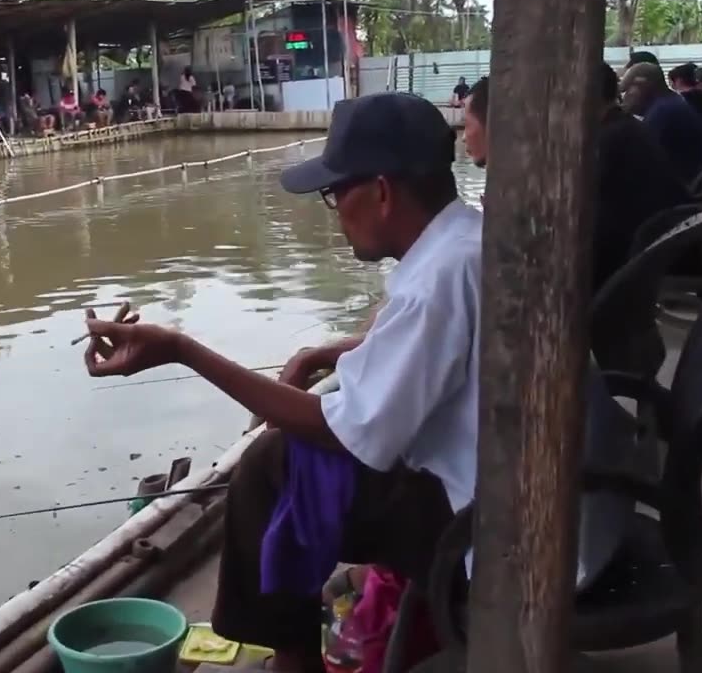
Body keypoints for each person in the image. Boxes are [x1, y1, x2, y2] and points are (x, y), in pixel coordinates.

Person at [80, 94, 478, 672]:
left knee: (272, 470)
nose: (335, 209)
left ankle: (294, 660)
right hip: (556, 496)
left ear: (383, 192)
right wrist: (325, 353)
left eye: (336, 193)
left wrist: (183, 350)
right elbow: (411, 347)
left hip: (505, 530)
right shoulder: (466, 242)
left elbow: (340, 433)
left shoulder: (436, 282)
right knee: (286, 465)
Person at [465, 67, 690, 292]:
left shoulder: (606, 144)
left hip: (626, 271)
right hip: (654, 250)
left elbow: (565, 233)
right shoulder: (623, 130)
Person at [621, 62, 702, 186]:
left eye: (628, 90)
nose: (626, 96)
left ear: (643, 86)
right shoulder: (671, 102)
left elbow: (645, 164)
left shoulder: (661, 112)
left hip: (682, 188)